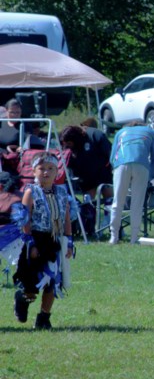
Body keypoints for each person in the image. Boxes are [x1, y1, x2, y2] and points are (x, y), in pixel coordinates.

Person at [12, 152, 75, 329]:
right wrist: (30, 244)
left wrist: (69, 242)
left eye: (50, 169)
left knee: (52, 281)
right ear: (33, 171)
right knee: (33, 284)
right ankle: (22, 298)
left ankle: (44, 318)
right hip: (35, 240)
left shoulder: (62, 193)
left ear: (58, 172)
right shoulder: (31, 192)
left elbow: (67, 218)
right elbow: (25, 220)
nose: (46, 172)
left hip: (54, 240)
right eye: (42, 169)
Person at [108, 120, 154, 245]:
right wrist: (151, 176)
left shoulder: (120, 132)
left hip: (121, 164)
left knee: (117, 202)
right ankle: (134, 237)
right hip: (141, 165)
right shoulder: (150, 132)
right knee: (137, 204)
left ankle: (113, 236)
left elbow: (112, 157)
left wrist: (114, 169)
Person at [60, 125, 113, 199]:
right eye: (65, 144)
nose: (67, 146)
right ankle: (89, 209)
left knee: (109, 198)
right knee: (88, 201)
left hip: (103, 172)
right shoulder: (66, 145)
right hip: (85, 176)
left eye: (69, 144)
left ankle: (108, 209)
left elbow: (110, 154)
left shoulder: (95, 135)